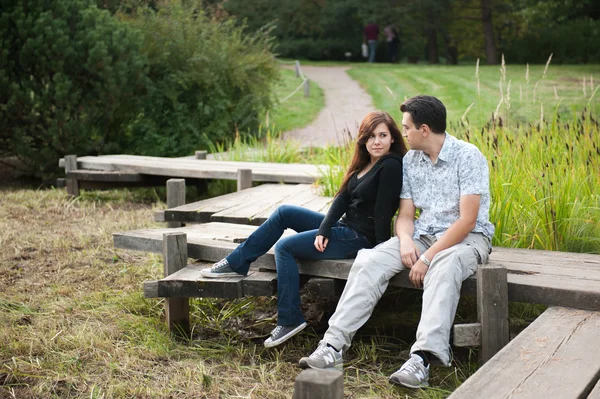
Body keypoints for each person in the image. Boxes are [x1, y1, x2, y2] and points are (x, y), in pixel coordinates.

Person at [299, 95, 495, 389]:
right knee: (370, 259)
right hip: (422, 236)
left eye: (406, 128)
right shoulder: (411, 160)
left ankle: (422, 359)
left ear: (424, 130)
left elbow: (467, 220)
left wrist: (427, 257)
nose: (402, 133)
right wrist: (405, 242)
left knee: (444, 265)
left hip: (467, 240)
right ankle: (333, 346)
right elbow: (405, 215)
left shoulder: (468, 157)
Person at [199, 111, 409, 348]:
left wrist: (378, 252)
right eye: (371, 136)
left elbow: (382, 213)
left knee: (285, 247)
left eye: (383, 135)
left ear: (393, 138)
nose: (377, 141)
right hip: (345, 227)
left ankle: (290, 319)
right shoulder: (367, 163)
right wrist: (324, 228)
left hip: (360, 238)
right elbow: (342, 198)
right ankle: (237, 262)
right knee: (284, 213)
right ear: (363, 139)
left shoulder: (390, 165)